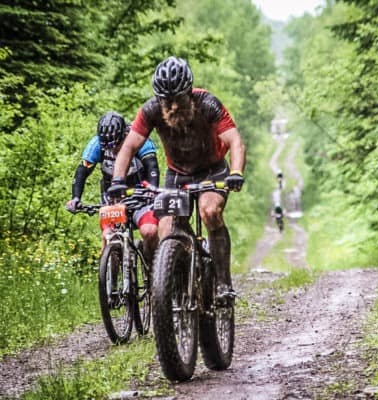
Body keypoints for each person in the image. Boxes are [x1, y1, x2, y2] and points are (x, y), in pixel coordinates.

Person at [108, 56, 246, 301]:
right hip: (177, 175)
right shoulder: (151, 109)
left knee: (209, 211)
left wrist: (236, 172)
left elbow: (234, 141)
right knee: (165, 230)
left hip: (211, 171)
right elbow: (129, 146)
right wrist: (118, 179)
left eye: (178, 99)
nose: (172, 106)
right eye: (166, 100)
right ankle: (175, 284)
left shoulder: (208, 103)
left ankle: (223, 283)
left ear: (189, 93)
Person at [66, 111, 160, 264]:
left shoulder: (138, 139)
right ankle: (111, 280)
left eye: (116, 144)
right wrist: (76, 198)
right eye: (108, 145)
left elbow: (152, 167)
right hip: (113, 198)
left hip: (141, 195)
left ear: (124, 134)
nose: (113, 149)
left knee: (149, 231)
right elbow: (81, 172)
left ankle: (154, 270)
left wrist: (152, 190)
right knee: (108, 237)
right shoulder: (96, 144)